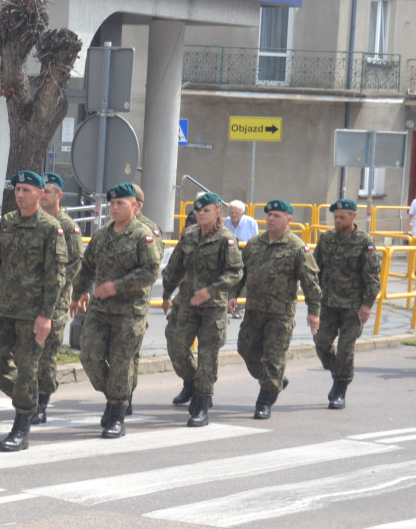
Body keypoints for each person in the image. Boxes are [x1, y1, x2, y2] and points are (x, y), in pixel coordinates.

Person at [0, 170, 67, 452]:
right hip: (3, 309)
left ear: (41, 194)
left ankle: (21, 426)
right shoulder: (7, 223)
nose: (20, 194)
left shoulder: (51, 228)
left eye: (26, 190)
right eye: (17, 189)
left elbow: (56, 276)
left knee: (28, 369)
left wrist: (46, 315)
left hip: (32, 314)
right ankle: (28, 398)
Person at [70, 182, 161, 439]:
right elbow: (87, 266)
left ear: (134, 206)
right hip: (100, 309)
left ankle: (117, 415)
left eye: (120, 203)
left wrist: (116, 287)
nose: (115, 207)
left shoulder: (143, 235)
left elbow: (150, 271)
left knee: (121, 363)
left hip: (129, 310)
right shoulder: (102, 234)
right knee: (89, 355)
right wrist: (77, 294)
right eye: (112, 203)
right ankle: (113, 397)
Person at [229, 199, 321, 420]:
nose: (271, 219)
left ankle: (264, 401)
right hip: (254, 310)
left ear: (288, 220)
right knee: (245, 349)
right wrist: (233, 294)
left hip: (280, 314)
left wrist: (314, 311)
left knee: (273, 358)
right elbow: (241, 272)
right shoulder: (254, 244)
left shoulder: (297, 248)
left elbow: (310, 282)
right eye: (268, 215)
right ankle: (275, 380)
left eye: (276, 216)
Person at [162, 192, 243, 426]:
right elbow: (175, 266)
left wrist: (212, 289)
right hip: (187, 303)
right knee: (176, 345)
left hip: (213, 307)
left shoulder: (226, 239)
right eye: (197, 211)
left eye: (205, 210)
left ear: (218, 212)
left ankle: (202, 404)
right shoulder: (188, 235)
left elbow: (236, 271)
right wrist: (167, 293)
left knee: (208, 355)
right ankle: (191, 381)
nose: (200, 214)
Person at [313, 199, 381, 408]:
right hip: (328, 304)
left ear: (353, 216)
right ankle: (340, 371)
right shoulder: (326, 239)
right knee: (321, 344)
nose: (338, 220)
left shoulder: (364, 242)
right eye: (335, 217)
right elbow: (315, 270)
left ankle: (339, 389)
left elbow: (372, 276)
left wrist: (367, 304)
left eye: (342, 217)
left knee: (345, 348)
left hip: (353, 306)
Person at [30, 172, 83, 425]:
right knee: (29, 354)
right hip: (30, 301)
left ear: (59, 195)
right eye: (41, 191)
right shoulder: (34, 221)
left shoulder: (68, 226)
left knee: (47, 354)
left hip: (57, 303)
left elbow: (74, 265)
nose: (43, 196)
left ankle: (41, 402)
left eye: (47, 191)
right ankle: (29, 397)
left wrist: (54, 283)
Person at [127, 183, 164, 414]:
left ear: (137, 205)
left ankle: (125, 397)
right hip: (108, 303)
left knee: (129, 353)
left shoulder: (149, 229)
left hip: (135, 302)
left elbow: (153, 266)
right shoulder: (113, 227)